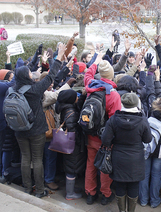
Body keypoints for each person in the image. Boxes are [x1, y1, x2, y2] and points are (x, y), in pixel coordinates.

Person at [14, 44, 66, 198]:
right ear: (28, 76)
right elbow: (51, 76)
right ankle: (39, 189)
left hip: (19, 128)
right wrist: (58, 58)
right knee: (37, 159)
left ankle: (27, 188)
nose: (32, 74)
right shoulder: (35, 90)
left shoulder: (13, 88)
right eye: (30, 73)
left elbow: (22, 72)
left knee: (25, 157)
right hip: (36, 129)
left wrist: (37, 55)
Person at [101, 92, 152, 212]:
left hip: (118, 156)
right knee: (134, 185)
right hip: (136, 157)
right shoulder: (142, 120)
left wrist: (116, 140)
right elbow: (147, 139)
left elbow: (105, 140)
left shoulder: (114, 119)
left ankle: (122, 211)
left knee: (120, 184)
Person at [84, 54, 121, 205]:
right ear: (111, 75)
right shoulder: (113, 95)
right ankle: (105, 194)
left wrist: (95, 62)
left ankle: (90, 193)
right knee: (105, 165)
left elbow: (87, 74)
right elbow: (115, 121)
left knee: (91, 164)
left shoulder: (90, 86)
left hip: (90, 133)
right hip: (104, 137)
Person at [55, 89, 87, 200]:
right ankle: (70, 193)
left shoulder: (65, 107)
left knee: (71, 166)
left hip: (68, 144)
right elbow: (72, 129)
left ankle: (71, 189)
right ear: (71, 99)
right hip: (73, 145)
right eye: (76, 97)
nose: (77, 98)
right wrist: (79, 140)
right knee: (72, 168)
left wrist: (82, 97)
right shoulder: (71, 112)